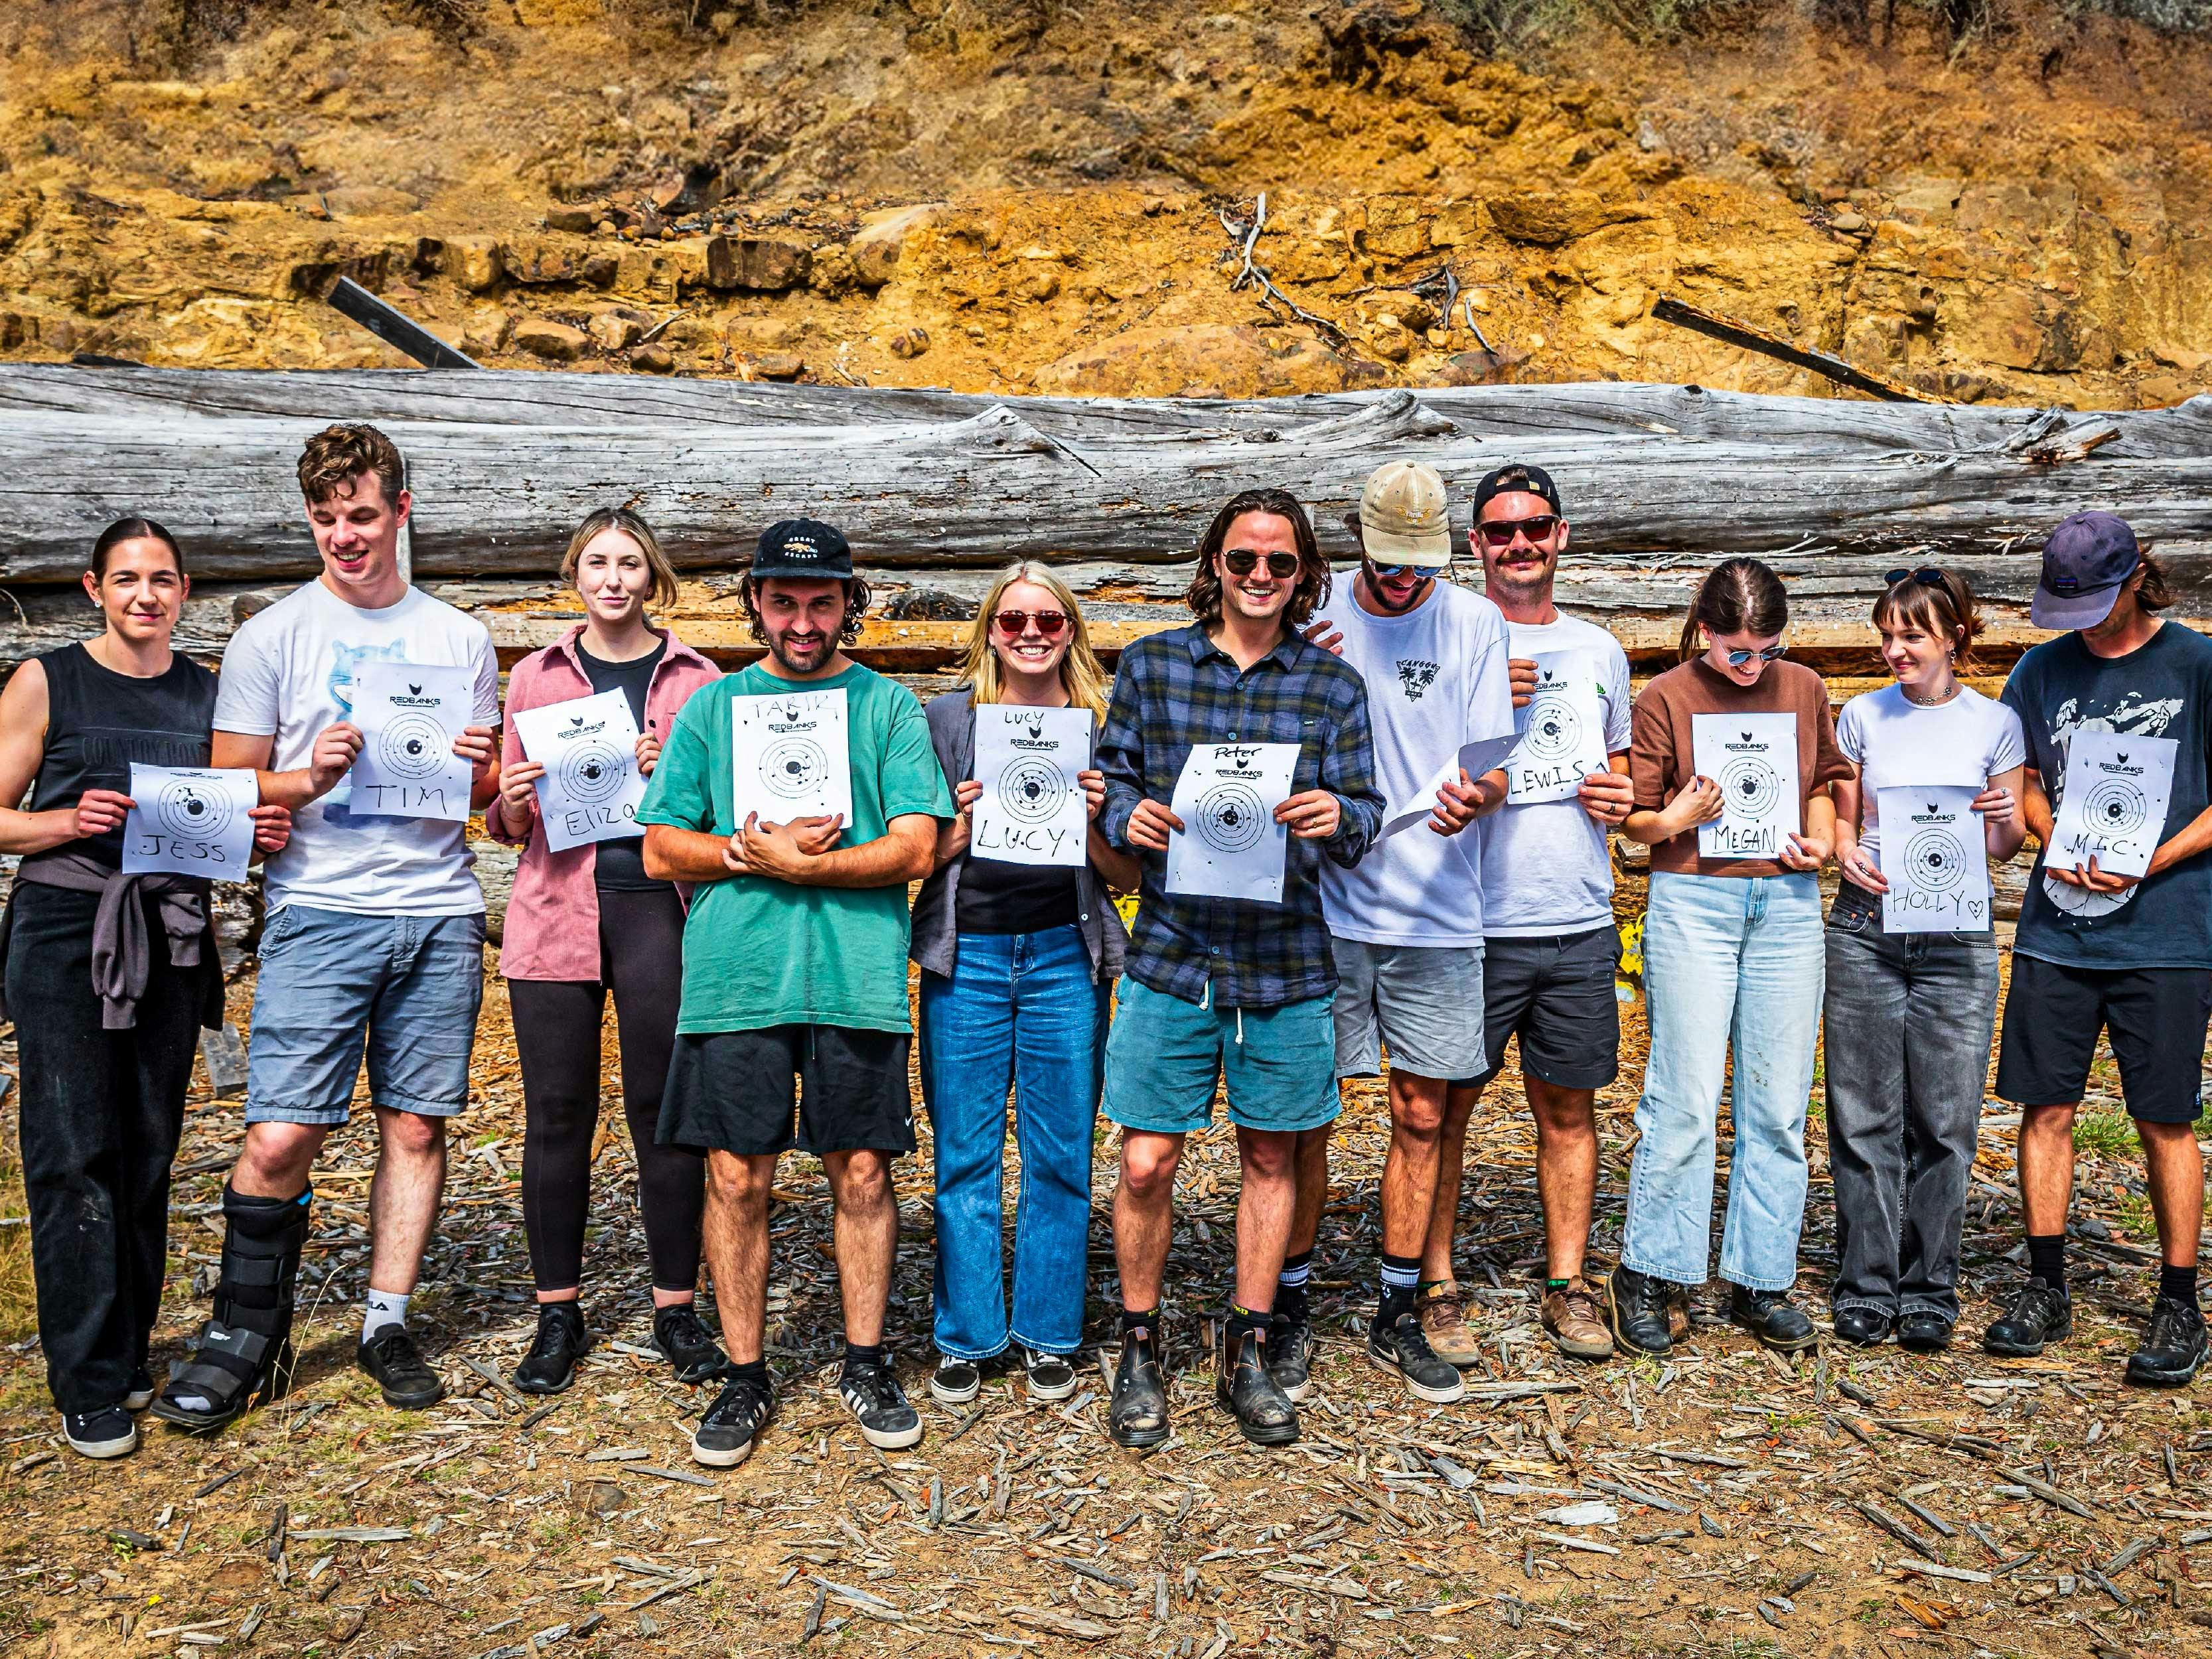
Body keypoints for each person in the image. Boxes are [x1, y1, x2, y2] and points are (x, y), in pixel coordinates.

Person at [153, 425, 502, 1433]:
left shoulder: (459, 637)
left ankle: (384, 1324)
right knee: (280, 1132)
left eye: (360, 514)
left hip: (434, 907)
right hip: (321, 906)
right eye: (324, 518)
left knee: (417, 1121)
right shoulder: (276, 636)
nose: (343, 536)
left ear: (401, 511)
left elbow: (478, 796)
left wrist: (480, 762)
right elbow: (225, 788)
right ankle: (242, 1333)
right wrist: (307, 776)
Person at [639, 520, 952, 1467]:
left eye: (820, 602)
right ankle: (746, 1373)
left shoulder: (888, 707)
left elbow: (916, 845)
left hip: (854, 978)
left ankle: (863, 1359)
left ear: (848, 603)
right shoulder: (711, 709)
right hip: (737, 979)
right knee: (737, 1176)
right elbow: (661, 845)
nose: (803, 621)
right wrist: (747, 853)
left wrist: (802, 871)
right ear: (756, 606)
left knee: (861, 1173)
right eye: (783, 601)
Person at [1096, 487, 1384, 1449]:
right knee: (1145, 1160)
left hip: (1285, 957)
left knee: (1272, 1155)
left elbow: (1365, 813)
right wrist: (1120, 820)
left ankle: (1247, 1342)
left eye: (1280, 564)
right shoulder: (1150, 665)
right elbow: (1115, 779)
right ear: (1212, 566)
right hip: (1171, 953)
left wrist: (1335, 816)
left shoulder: (1331, 687)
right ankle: (1141, 1343)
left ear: (1305, 576)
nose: (1259, 578)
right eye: (1242, 561)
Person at [0, 520, 289, 1459]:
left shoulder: (206, 694)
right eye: (126, 580)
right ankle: (85, 1381)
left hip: (168, 933)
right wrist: (57, 821)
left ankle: (126, 1352)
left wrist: (259, 836)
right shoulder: (48, 681)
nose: (144, 597)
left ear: (184, 590)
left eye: (161, 581)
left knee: (151, 1149)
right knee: (73, 1151)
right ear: (93, 588)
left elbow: (217, 818)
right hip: (63, 934)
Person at [1289, 462, 1511, 1406]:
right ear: (1357, 544)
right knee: (1304, 1116)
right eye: (1387, 567)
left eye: (1419, 570)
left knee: (1422, 1113)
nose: (1402, 585)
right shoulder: (1311, 611)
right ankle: (1285, 1301)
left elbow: (1492, 762)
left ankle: (1395, 1303)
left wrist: (1476, 796)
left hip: (1433, 904)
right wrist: (1305, 664)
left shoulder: (1474, 623)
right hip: (1324, 904)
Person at [489, 509, 724, 1394]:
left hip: (658, 910)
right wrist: (512, 797)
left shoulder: (698, 679)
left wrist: (677, 778)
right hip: (556, 910)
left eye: (630, 562)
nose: (614, 577)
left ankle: (676, 1306)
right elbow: (513, 825)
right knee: (555, 1115)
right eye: (598, 562)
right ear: (575, 574)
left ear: (652, 576)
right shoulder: (535, 678)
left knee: (662, 1109)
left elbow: (719, 812)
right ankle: (559, 1311)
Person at [1984, 512, 2212, 1386]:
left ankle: (2179, 1301)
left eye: (2087, 601)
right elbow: (2021, 781)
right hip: (2057, 930)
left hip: (2169, 931)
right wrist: (2051, 838)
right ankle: (2045, 1285)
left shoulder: (2194, 665)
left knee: (2164, 1117)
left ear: (2132, 581)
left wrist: (2151, 860)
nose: (2071, 620)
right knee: (2044, 1107)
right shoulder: (2040, 671)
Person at [911, 563, 1138, 1406]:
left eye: (1049, 619)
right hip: (964, 955)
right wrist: (958, 829)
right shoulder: (946, 721)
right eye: (1013, 621)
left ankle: (1049, 1329)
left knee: (1061, 1152)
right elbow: (916, 854)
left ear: (1071, 629)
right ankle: (968, 1332)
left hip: (1062, 955)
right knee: (964, 1152)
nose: (1032, 632)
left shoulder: (1101, 726)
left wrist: (1090, 822)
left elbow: (1126, 872)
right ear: (990, 632)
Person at [1609, 557, 1847, 1355]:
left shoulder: (1804, 688)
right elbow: (1637, 823)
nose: (1752, 666)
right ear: (1705, 631)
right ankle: (1652, 1268)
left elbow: (1825, 779)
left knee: (1778, 1102)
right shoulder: (1666, 695)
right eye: (1737, 651)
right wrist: (1678, 812)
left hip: (1784, 905)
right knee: (1683, 1093)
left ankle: (1760, 1275)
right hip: (1695, 904)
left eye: (1768, 651)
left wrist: (1820, 834)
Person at [1430, 464, 1637, 1365]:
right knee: (1441, 1111)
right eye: (1500, 531)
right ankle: (1434, 1285)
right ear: (1474, 545)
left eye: (1536, 527)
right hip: (1464, 918)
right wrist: (1478, 710)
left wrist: (1623, 798)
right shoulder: (1444, 641)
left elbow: (1624, 768)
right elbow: (1411, 764)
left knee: (1568, 1108)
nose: (1520, 544)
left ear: (1561, 536)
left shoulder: (1600, 650)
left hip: (1576, 914)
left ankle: (1568, 1284)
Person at [1826, 569, 2025, 1353]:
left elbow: (2002, 849)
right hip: (1866, 926)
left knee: (1945, 1120)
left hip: (1957, 935)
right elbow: (1841, 821)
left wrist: (2006, 820)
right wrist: (1846, 852)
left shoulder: (1996, 724)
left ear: (1954, 638)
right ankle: (1867, 1284)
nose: (1894, 649)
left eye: (1911, 635)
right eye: (1886, 634)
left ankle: (1931, 1287)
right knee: (1861, 1111)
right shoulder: (1860, 717)